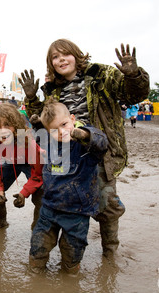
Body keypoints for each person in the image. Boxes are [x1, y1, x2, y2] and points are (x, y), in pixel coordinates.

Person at [20, 39, 150, 257]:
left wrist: (133, 75)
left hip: (98, 151)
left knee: (107, 207)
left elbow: (134, 95)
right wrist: (32, 99)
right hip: (64, 154)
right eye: (55, 57)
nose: (61, 59)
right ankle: (41, 248)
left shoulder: (102, 75)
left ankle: (110, 253)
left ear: (76, 55)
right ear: (51, 63)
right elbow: (44, 119)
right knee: (47, 198)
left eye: (65, 54)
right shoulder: (52, 90)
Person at [29, 98, 108, 274]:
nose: (62, 132)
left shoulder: (85, 147)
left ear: (73, 119)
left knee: (72, 252)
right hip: (49, 208)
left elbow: (102, 143)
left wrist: (86, 135)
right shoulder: (49, 142)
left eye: (64, 124)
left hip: (78, 211)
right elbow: (41, 135)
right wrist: (37, 126)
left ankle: (71, 274)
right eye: (55, 130)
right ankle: (35, 273)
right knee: (38, 247)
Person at [0, 102, 43, 230]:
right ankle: (0, 222)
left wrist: (24, 193)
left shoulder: (26, 141)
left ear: (16, 125)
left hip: (28, 163)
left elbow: (38, 174)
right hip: (9, 162)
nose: (3, 131)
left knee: (44, 189)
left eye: (7, 125)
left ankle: (39, 227)